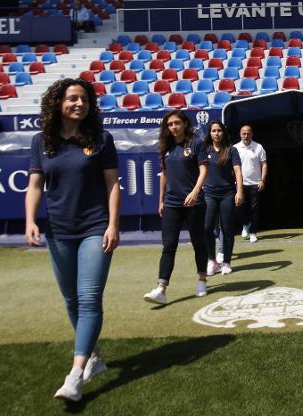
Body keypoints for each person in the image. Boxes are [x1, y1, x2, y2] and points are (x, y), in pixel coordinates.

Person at [25, 78, 121, 401]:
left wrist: (113, 225)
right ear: (58, 104)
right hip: (59, 231)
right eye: (72, 98)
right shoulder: (42, 141)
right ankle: (93, 357)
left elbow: (112, 185)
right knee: (71, 300)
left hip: (95, 228)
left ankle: (75, 375)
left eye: (84, 99)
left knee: (89, 297)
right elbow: (35, 185)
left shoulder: (102, 139)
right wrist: (29, 221)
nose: (79, 103)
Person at [143, 110, 209, 305]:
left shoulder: (196, 143)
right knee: (169, 245)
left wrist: (196, 191)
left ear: (184, 124)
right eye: (170, 124)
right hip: (172, 203)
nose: (173, 127)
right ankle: (161, 289)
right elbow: (164, 174)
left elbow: (204, 169)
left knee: (198, 242)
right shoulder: (166, 147)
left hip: (194, 202)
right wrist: (160, 201)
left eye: (177, 123)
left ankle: (202, 280)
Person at [203, 121, 244, 276]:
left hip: (227, 194)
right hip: (208, 193)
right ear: (210, 133)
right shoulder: (204, 150)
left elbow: (238, 172)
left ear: (223, 132)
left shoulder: (231, 150)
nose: (217, 133)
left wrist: (239, 191)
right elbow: (199, 171)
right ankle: (212, 261)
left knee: (227, 229)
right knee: (206, 227)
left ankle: (226, 262)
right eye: (213, 131)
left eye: (219, 130)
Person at [234, 124, 267, 243]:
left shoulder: (258, 147)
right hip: (240, 184)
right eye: (244, 133)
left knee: (254, 209)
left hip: (255, 184)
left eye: (248, 133)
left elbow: (264, 164)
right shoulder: (235, 148)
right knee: (239, 207)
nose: (246, 135)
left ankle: (253, 232)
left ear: (252, 134)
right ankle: (245, 224)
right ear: (240, 134)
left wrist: (262, 180)